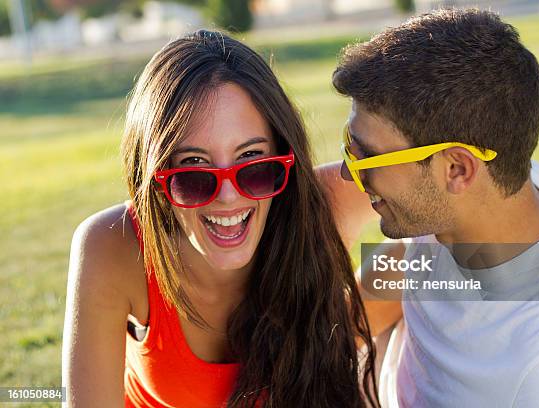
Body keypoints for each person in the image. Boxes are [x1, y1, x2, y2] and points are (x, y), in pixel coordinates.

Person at [61, 30, 381, 408]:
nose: (229, 197)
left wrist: (348, 314)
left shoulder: (320, 207)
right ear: (153, 176)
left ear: (283, 155)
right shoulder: (114, 246)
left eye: (252, 162)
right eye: (193, 167)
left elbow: (457, 229)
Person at [332, 8, 539, 408]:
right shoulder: (493, 193)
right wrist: (336, 340)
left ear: (457, 168)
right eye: (350, 146)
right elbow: (413, 263)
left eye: (366, 157)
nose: (347, 171)